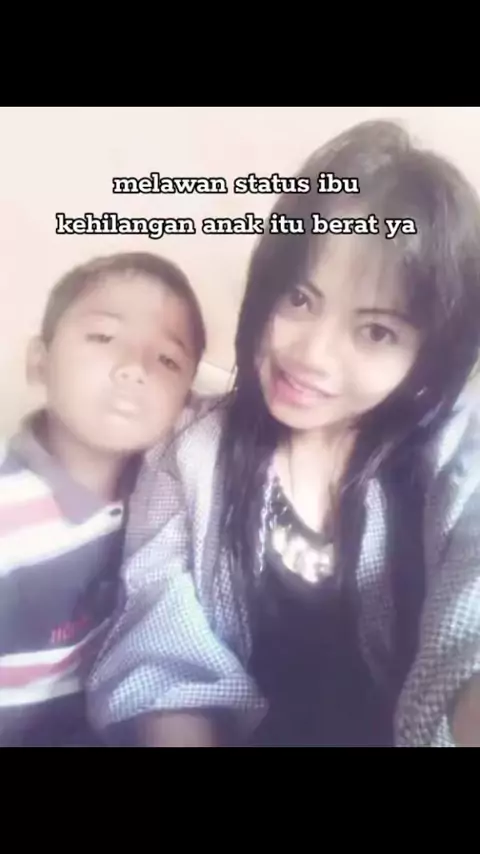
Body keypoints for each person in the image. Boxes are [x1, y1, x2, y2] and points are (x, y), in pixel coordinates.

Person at [87, 120, 480, 747]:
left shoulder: (453, 450)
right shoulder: (190, 453)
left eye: (376, 331)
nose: (311, 355)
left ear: (426, 356)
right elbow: (162, 648)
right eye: (299, 298)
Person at [0, 250, 206, 746]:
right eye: (103, 337)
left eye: (167, 359)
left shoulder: (168, 506)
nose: (134, 368)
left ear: (184, 403)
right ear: (39, 361)